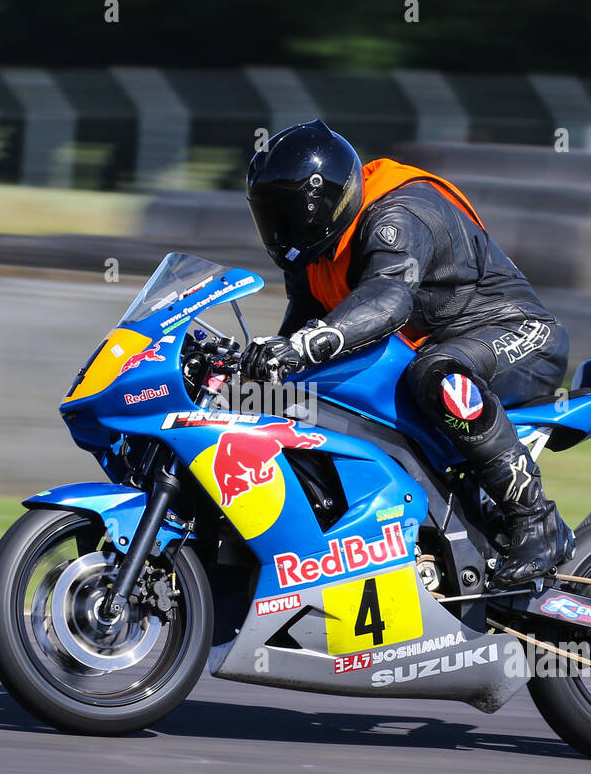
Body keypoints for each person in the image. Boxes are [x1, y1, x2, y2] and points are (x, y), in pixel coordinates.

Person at [240, 119, 573, 587]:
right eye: (269, 214)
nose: (280, 228)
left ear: (325, 201)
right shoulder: (313, 251)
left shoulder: (399, 212)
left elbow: (387, 298)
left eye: (290, 212)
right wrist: (258, 370)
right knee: (299, 395)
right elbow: (303, 324)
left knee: (437, 374)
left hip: (515, 332)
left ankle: (535, 519)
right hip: (437, 346)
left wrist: (302, 347)